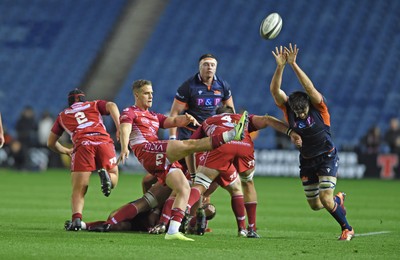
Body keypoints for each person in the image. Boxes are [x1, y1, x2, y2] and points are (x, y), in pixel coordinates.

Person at [114, 79, 247, 241]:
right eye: (146, 93)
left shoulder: (153, 116)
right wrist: (125, 145)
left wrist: (186, 119)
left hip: (158, 155)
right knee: (187, 146)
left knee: (182, 187)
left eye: (152, 93)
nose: (150, 96)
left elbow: (172, 121)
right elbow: (125, 127)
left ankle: (172, 228)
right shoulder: (130, 111)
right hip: (147, 149)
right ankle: (229, 136)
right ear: (136, 95)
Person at [269, 43, 354, 240]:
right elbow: (275, 91)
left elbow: (309, 87)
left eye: (302, 111)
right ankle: (338, 200)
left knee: (324, 199)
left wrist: (293, 65)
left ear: (308, 105)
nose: (299, 115)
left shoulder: (319, 107)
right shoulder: (289, 108)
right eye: (297, 112)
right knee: (316, 205)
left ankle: (347, 228)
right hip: (307, 160)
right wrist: (280, 66)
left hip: (327, 156)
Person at [47, 89, 120, 231]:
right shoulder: (93, 105)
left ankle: (76, 221)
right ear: (83, 100)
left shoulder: (62, 115)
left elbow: (50, 143)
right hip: (103, 141)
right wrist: (119, 127)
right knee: (114, 175)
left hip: (82, 144)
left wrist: (66, 150)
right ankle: (108, 179)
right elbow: (112, 105)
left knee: (79, 189)